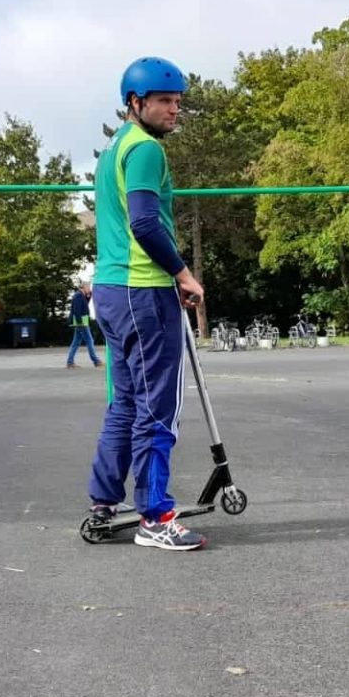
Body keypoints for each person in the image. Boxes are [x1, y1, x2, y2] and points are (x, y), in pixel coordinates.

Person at [86, 56, 206, 551]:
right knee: (159, 406)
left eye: (178, 101)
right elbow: (144, 223)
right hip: (143, 290)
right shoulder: (145, 150)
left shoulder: (114, 148)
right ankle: (155, 516)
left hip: (113, 291)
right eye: (163, 101)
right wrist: (182, 272)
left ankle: (103, 501)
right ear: (135, 103)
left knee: (127, 402)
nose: (174, 110)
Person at [66, 281, 101, 368]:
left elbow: (85, 304)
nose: (89, 289)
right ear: (84, 287)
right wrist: (79, 322)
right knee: (89, 341)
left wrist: (89, 296)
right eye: (88, 287)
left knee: (76, 342)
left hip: (82, 321)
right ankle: (96, 361)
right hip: (81, 322)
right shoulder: (78, 295)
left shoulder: (81, 295)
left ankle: (70, 362)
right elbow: (77, 310)